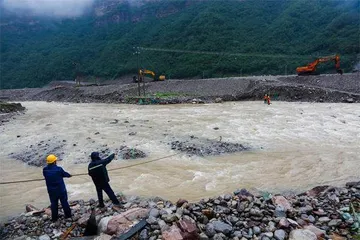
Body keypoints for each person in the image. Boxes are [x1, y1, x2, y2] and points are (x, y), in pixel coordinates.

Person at [43, 154, 72, 222]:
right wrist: (69, 175)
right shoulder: (59, 169)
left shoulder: (45, 170)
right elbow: (65, 174)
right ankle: (68, 216)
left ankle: (54, 218)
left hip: (51, 191)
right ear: (54, 162)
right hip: (61, 190)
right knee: (64, 202)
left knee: (54, 204)